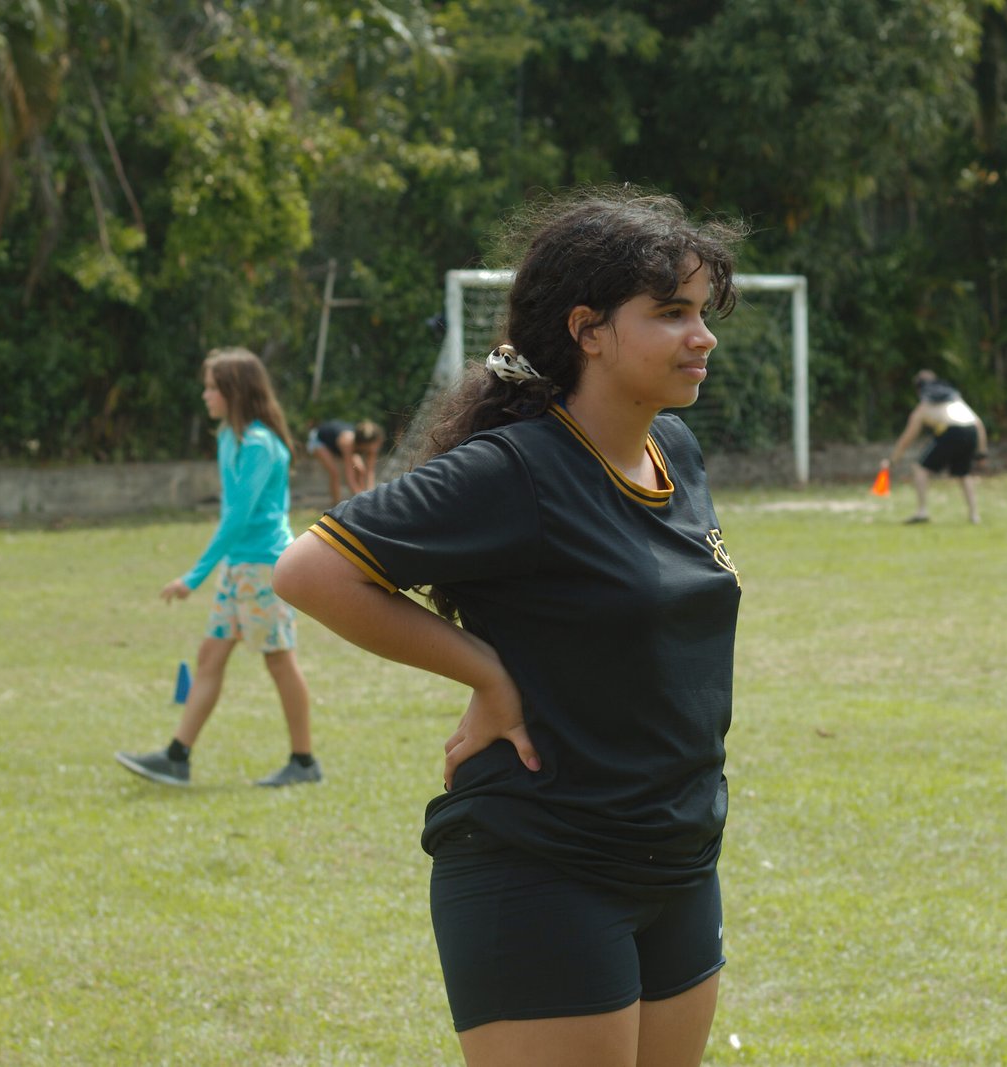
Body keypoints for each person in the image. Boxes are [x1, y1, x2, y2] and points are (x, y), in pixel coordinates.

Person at [273, 190, 745, 1067]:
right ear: (588, 329)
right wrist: (486, 672)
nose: (702, 336)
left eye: (702, 312)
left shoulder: (674, 450)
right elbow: (309, 571)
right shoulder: (516, 469)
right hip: (545, 865)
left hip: (679, 858)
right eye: (671, 313)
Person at [115, 347, 322, 788]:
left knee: (279, 660)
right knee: (210, 656)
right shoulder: (230, 437)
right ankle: (177, 757)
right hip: (237, 567)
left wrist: (192, 578)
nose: (205, 395)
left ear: (235, 391)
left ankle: (304, 763)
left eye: (212, 388)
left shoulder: (261, 445)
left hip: (264, 567)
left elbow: (238, 518)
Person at [882, 368, 989, 524]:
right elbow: (978, 424)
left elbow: (907, 438)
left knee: (920, 468)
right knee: (963, 473)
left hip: (951, 431)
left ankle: (922, 511)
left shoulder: (923, 407)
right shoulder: (956, 399)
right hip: (971, 430)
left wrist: (892, 461)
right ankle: (974, 515)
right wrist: (982, 453)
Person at [304, 418, 385, 504]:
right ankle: (335, 505)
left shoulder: (372, 446)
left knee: (361, 470)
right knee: (335, 473)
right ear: (365, 444)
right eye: (377, 443)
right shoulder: (347, 442)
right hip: (318, 440)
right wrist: (361, 500)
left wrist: (370, 498)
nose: (379, 445)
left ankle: (362, 496)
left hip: (338, 443)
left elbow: (370, 472)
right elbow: (349, 475)